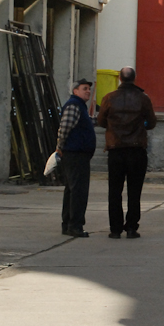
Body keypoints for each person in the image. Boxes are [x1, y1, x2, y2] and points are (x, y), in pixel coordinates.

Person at [97, 66, 157, 239]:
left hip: (115, 149)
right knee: (134, 191)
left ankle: (115, 229)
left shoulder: (109, 98)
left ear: (120, 79)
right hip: (137, 150)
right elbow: (152, 123)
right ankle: (131, 227)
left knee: (115, 191)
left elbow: (101, 121)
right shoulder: (143, 98)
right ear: (134, 79)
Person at [57, 79, 96, 238]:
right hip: (75, 154)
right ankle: (75, 225)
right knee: (78, 191)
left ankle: (68, 224)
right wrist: (60, 146)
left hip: (77, 153)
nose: (88, 91)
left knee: (72, 190)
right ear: (75, 91)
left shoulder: (80, 106)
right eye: (84, 88)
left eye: (89, 89)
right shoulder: (74, 105)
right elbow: (65, 127)